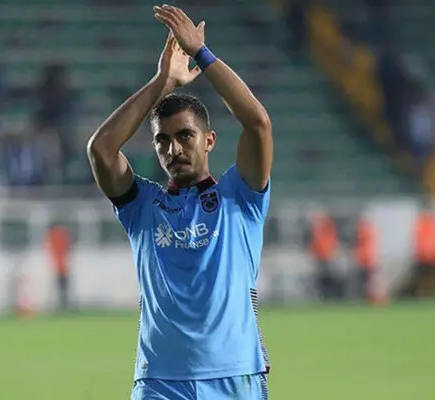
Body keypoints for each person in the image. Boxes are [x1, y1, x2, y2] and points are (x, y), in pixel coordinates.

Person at [86, 5, 273, 400]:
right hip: (160, 382)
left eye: (185, 136)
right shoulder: (142, 207)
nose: (173, 149)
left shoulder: (240, 197)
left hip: (234, 378)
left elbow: (257, 123)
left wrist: (202, 55)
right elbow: (101, 149)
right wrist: (162, 82)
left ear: (209, 140)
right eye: (162, 140)